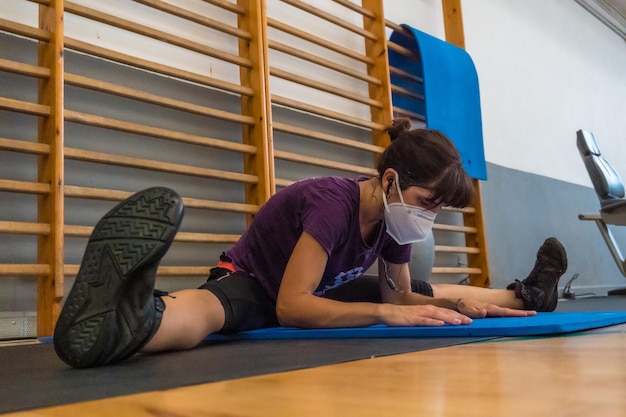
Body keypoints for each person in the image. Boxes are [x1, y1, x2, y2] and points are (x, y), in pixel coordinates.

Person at [53, 119, 568, 368]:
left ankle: (525, 296)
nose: (428, 215)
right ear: (390, 180)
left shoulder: (393, 221)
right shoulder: (332, 204)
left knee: (429, 297)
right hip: (256, 283)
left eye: (438, 208)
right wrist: (388, 315)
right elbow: (292, 306)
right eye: (426, 200)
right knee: (213, 312)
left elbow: (400, 295)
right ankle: (132, 320)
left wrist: (456, 306)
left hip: (318, 289)